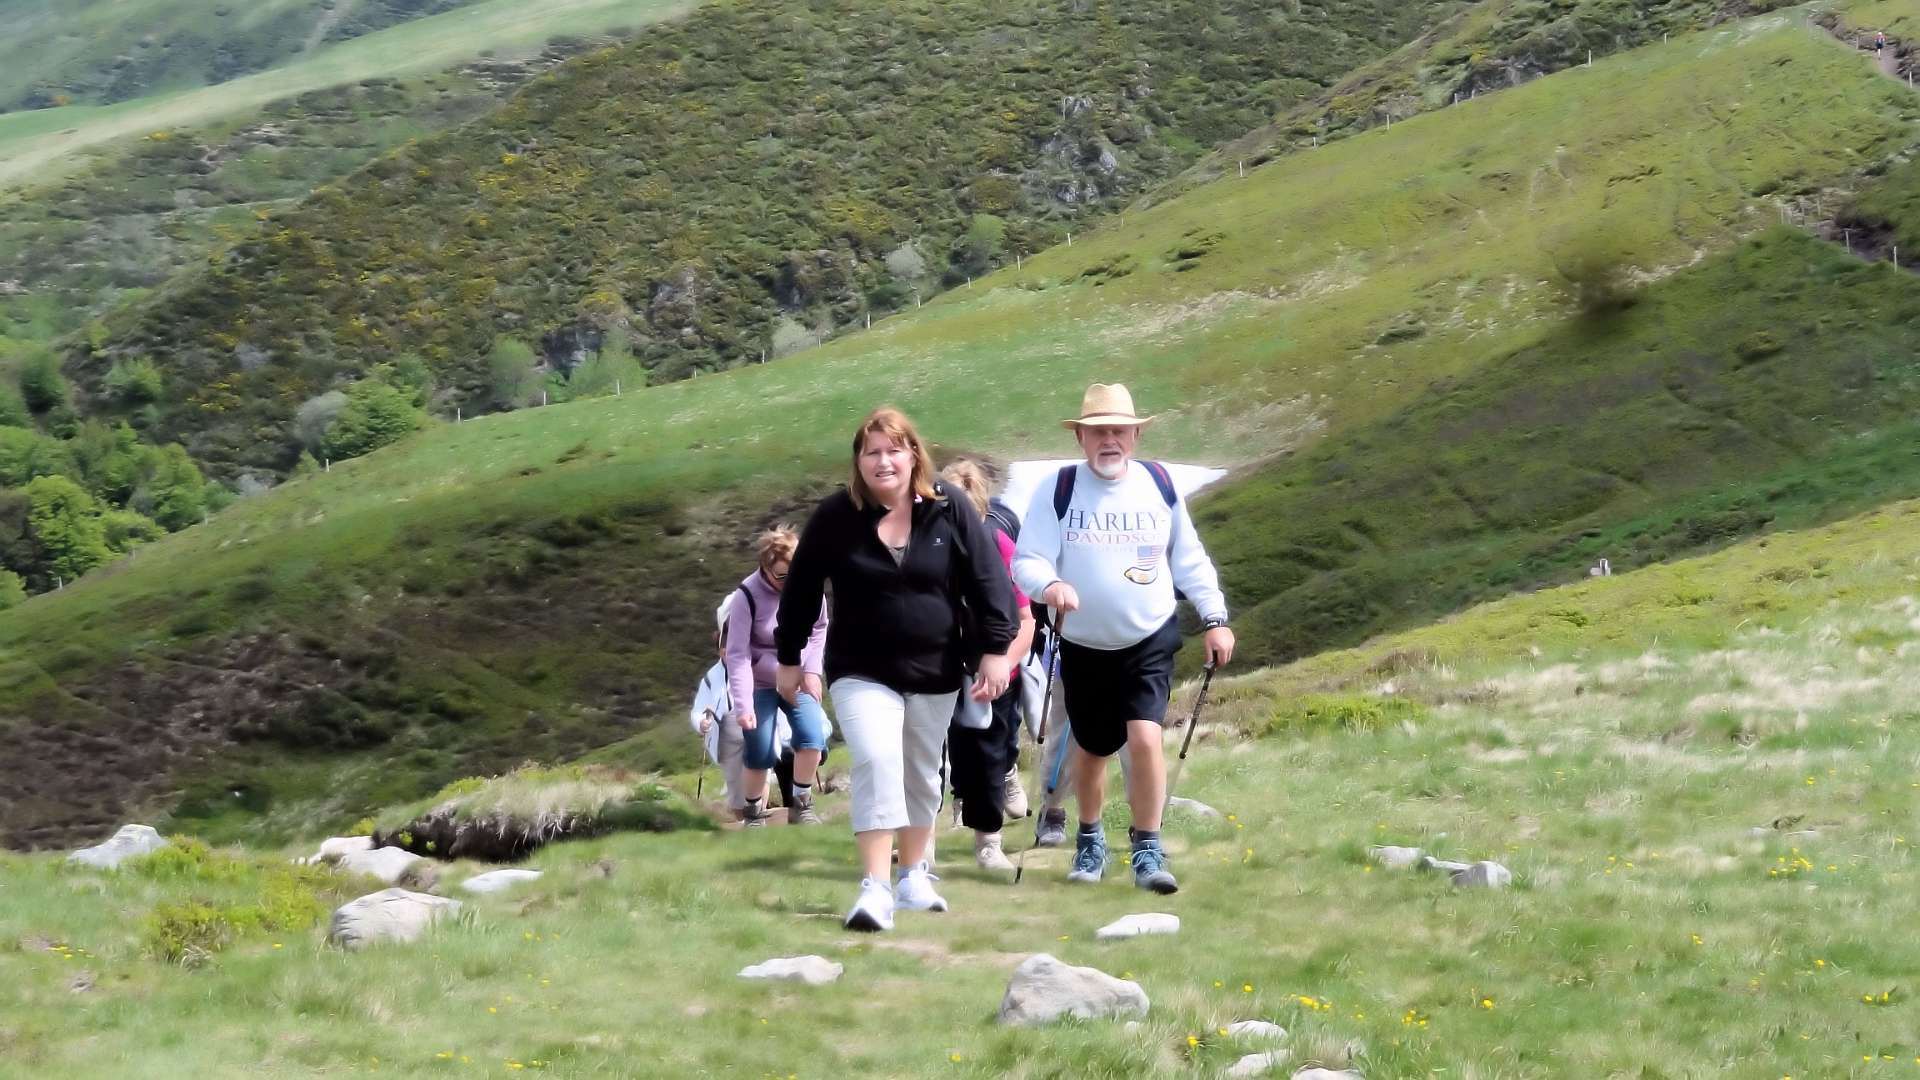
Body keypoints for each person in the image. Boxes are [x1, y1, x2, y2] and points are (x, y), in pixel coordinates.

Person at [776, 407, 1017, 932]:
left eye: (894, 450)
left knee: (922, 773)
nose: (883, 461)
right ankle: (874, 888)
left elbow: (989, 579)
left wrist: (997, 649)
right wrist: (789, 658)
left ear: (913, 455)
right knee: (876, 758)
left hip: (936, 668)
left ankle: (913, 876)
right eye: (872, 453)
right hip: (860, 668)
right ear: (858, 462)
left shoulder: (948, 507)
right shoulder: (836, 516)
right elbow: (801, 590)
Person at [1013, 383, 1234, 895]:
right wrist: (1050, 586)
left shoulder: (1159, 485)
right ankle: (1089, 840)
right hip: (1083, 643)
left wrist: (1215, 617)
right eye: (1098, 432)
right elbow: (1028, 560)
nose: (1108, 440)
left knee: (1145, 737)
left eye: (1118, 431)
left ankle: (1147, 849)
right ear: (1081, 439)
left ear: (1135, 436)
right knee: (1091, 749)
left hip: (1148, 637)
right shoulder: (1057, 489)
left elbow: (1188, 558)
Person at [938, 459, 1036, 872]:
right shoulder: (929, 547)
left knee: (990, 750)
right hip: (944, 666)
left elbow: (1026, 620)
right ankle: (918, 845)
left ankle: (988, 844)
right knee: (958, 754)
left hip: (995, 669)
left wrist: (1003, 662)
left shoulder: (1000, 547)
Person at [724, 527, 829, 826]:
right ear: (765, 568)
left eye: (794, 575)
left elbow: (819, 628)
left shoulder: (808, 586)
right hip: (759, 683)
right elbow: (738, 653)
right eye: (781, 576)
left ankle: (801, 804)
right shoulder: (746, 595)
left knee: (812, 737)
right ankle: (753, 813)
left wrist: (811, 671)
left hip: (797, 678)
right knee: (759, 749)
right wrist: (743, 704)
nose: (789, 583)